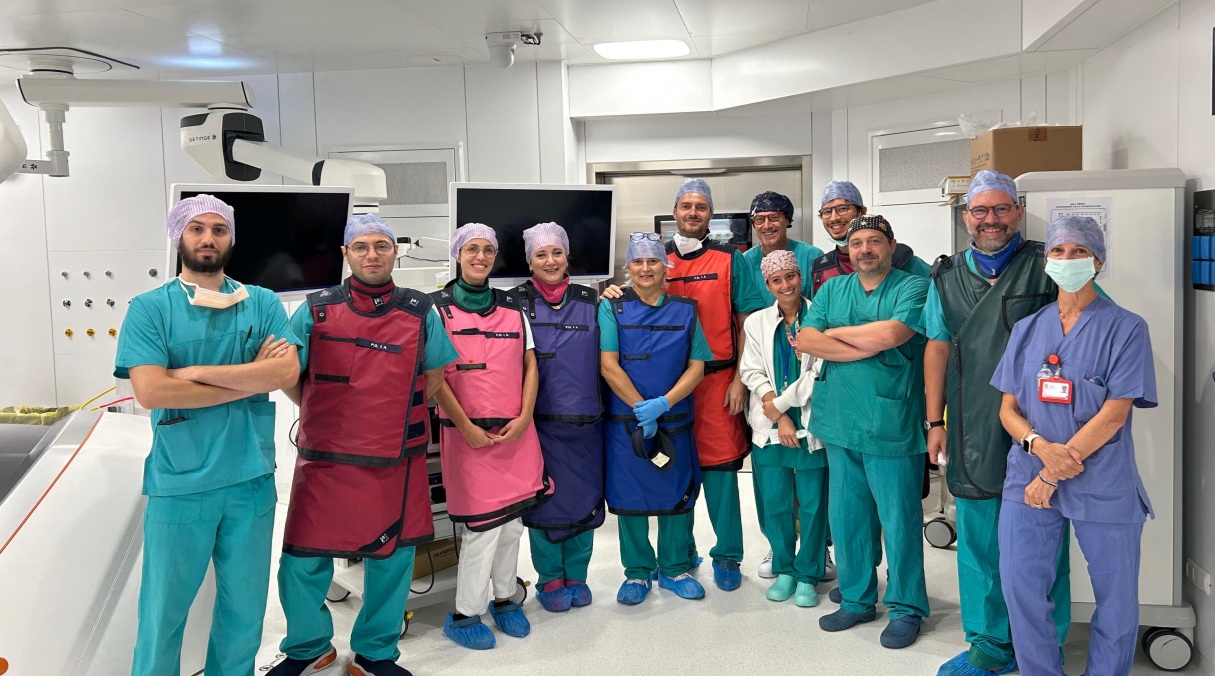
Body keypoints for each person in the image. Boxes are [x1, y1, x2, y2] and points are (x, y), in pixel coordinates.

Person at [114, 194, 300, 676]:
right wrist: (249, 376)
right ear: (179, 236)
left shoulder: (261, 302)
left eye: (219, 229)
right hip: (181, 483)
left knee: (244, 614)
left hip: (250, 481)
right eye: (196, 229)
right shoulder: (150, 309)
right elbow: (151, 391)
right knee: (163, 615)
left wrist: (193, 374)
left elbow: (285, 372)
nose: (208, 238)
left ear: (230, 239)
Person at [269, 214, 458, 676]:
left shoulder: (419, 311)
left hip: (395, 458)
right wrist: (324, 411)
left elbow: (434, 376)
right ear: (346, 254)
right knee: (303, 558)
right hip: (326, 457)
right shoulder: (315, 310)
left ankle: (375, 654)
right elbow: (290, 377)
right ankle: (308, 648)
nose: (372, 255)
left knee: (392, 559)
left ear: (395, 251)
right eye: (361, 247)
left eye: (381, 246)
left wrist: (392, 413)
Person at [923, 170, 1072, 676]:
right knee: (979, 540)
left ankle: (1042, 646)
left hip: (1042, 424)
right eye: (980, 211)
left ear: (1018, 212)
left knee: (1043, 538)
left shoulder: (1048, 266)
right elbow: (937, 348)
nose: (991, 219)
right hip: (972, 421)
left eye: (1001, 208)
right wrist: (934, 421)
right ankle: (988, 644)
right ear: (966, 217)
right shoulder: (946, 278)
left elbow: (1091, 325)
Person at [992, 215, 1155, 676]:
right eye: (1058, 251)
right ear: (1047, 260)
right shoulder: (1027, 329)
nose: (1067, 259)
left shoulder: (1127, 328)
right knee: (1021, 586)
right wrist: (1039, 448)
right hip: (1028, 477)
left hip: (1102, 480)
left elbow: (1114, 414)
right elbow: (1008, 409)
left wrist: (1052, 471)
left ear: (1097, 261)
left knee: (1116, 596)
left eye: (1079, 251)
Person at [796, 214, 930, 649]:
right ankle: (857, 599)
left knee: (899, 520)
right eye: (857, 244)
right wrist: (861, 343)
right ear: (848, 251)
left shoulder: (913, 286)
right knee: (847, 516)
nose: (865, 250)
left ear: (890, 245)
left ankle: (906, 607)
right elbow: (807, 340)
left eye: (874, 241)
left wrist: (835, 335)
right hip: (839, 421)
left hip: (891, 423)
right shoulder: (832, 288)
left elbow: (893, 333)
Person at [429, 223, 553, 650]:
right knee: (482, 531)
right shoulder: (437, 310)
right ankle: (465, 614)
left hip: (516, 433)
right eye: (472, 250)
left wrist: (524, 416)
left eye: (487, 250)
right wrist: (466, 427)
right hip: (468, 437)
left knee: (513, 525)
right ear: (458, 255)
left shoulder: (514, 309)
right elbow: (435, 377)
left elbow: (531, 365)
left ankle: (505, 599)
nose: (480, 257)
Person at [661, 178, 767, 591]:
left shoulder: (729, 259)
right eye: (686, 206)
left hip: (719, 381)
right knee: (674, 472)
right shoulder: (656, 259)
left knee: (721, 473)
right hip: (669, 386)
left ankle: (727, 556)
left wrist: (741, 379)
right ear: (675, 212)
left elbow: (747, 324)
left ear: (710, 214)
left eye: (700, 206)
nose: (693, 213)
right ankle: (678, 556)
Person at [600, 232, 709, 604]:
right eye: (638, 262)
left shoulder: (686, 310)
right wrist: (639, 409)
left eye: (653, 262)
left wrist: (662, 404)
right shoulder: (612, 308)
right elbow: (608, 366)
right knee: (630, 497)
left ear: (666, 268)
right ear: (628, 268)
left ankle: (675, 568)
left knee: (675, 493)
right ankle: (637, 573)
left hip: (673, 419)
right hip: (626, 423)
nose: (645, 269)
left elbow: (697, 367)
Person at [740, 190, 836, 584]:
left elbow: (817, 372)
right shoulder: (757, 322)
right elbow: (751, 370)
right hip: (769, 424)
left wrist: (781, 406)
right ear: (767, 283)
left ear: (802, 276)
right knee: (775, 500)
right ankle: (783, 565)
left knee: (813, 502)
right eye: (776, 280)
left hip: (810, 422)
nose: (785, 285)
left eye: (791, 276)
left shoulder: (820, 320)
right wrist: (776, 412)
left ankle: (811, 569)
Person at [510, 222, 606, 613]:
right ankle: (549, 578)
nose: (550, 261)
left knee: (584, 497)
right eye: (541, 254)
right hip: (537, 424)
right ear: (529, 261)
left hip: (586, 422)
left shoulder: (593, 300)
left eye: (557, 253)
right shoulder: (512, 303)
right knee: (545, 502)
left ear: (568, 257)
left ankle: (578, 575)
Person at [809, 180, 931, 293]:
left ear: (862, 212)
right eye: (827, 212)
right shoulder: (821, 268)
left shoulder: (899, 257)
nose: (834, 218)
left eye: (842, 209)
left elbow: (936, 293)